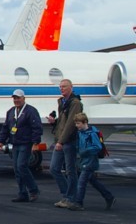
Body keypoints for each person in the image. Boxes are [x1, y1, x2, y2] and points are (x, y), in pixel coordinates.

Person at [0, 89, 42, 203]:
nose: (16, 100)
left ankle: (33, 190)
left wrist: (36, 142)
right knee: (17, 169)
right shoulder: (11, 111)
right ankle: (22, 193)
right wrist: (1, 140)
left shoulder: (30, 111)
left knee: (22, 166)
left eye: (18, 98)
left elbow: (37, 127)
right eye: (14, 98)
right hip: (15, 143)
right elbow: (6, 127)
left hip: (26, 143)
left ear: (23, 98)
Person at [66, 113, 116, 211]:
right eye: (76, 123)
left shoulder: (92, 134)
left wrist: (84, 151)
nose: (77, 126)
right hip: (84, 160)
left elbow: (97, 147)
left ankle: (79, 202)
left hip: (90, 161)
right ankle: (109, 197)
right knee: (93, 181)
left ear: (85, 122)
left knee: (81, 182)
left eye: (78, 123)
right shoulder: (81, 133)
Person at [49, 79, 83, 208]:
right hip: (61, 140)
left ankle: (71, 198)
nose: (61, 89)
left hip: (69, 141)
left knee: (70, 171)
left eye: (64, 87)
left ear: (71, 88)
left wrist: (61, 141)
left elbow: (70, 124)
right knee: (54, 168)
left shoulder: (75, 103)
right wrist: (54, 121)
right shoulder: (62, 102)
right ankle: (67, 195)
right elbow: (63, 121)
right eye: (60, 87)